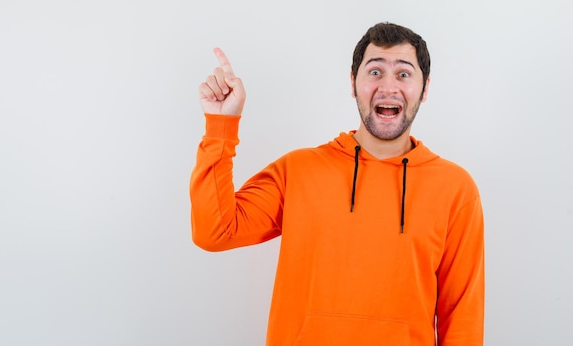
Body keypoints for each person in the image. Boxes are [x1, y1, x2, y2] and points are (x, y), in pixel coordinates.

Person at [190, 22, 485, 346]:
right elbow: (214, 231)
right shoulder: (299, 170)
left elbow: (462, 321)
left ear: (424, 88)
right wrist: (221, 124)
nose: (388, 86)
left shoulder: (455, 189)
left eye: (403, 74)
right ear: (353, 83)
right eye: (375, 72)